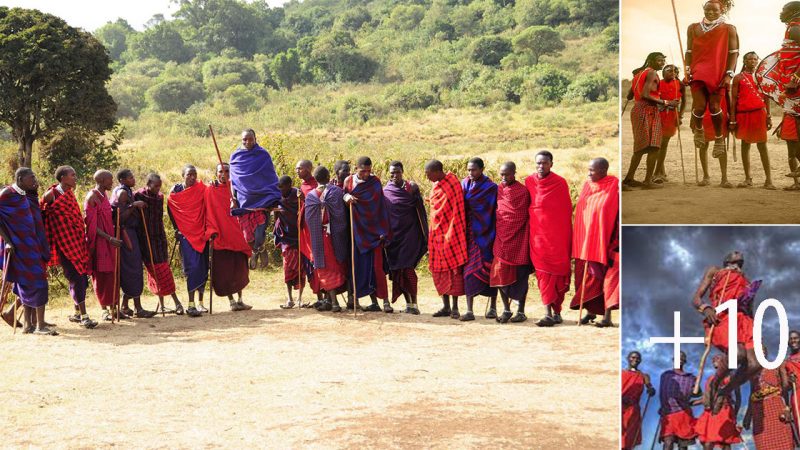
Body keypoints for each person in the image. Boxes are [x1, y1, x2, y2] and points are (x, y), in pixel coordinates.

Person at [691, 251, 761, 396]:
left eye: (740, 253)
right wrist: (706, 308)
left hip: (745, 322)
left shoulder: (747, 282)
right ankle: (715, 383)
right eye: (733, 252)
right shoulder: (715, 271)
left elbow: (750, 308)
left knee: (757, 364)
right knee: (738, 355)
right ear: (726, 259)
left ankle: (724, 392)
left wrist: (755, 328)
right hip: (723, 316)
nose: (738, 252)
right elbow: (696, 298)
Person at [40, 166, 97, 329]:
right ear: (63, 177)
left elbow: (75, 217)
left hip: (76, 241)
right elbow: (42, 216)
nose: (75, 178)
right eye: (72, 175)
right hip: (63, 243)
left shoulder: (70, 193)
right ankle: (85, 316)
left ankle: (77, 313)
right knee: (77, 277)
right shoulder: (51, 194)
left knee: (80, 276)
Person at [0, 168, 55, 335]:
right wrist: (8, 242)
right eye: (31, 177)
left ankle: (28, 325)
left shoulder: (24, 194)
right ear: (20, 178)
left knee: (27, 283)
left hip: (32, 245)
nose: (34, 179)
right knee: (38, 283)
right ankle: (39, 327)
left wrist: (34, 192)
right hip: (18, 247)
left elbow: (32, 216)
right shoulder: (7, 194)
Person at [686, 0, 739, 160]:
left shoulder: (729, 29)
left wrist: (729, 74)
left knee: (715, 106)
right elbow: (689, 51)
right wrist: (688, 70)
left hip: (718, 72)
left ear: (721, 10)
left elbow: (734, 53)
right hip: (698, 71)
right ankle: (699, 130)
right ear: (704, 9)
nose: (710, 13)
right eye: (707, 10)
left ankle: (718, 140)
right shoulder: (693, 27)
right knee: (699, 107)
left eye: (714, 10)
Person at [570, 158, 619, 327]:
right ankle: (590, 312)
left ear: (604, 170)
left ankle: (607, 317)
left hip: (603, 242)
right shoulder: (587, 185)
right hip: (583, 242)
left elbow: (615, 215)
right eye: (588, 170)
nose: (589, 173)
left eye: (593, 170)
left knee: (604, 279)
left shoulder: (614, 187)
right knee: (584, 278)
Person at [526, 151, 572, 327]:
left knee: (558, 275)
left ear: (551, 164)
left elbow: (566, 212)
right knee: (543, 275)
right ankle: (547, 313)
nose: (541, 166)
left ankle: (557, 311)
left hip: (557, 237)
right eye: (538, 163)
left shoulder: (560, 183)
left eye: (544, 163)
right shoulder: (529, 182)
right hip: (538, 238)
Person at [756, 2, 800, 189]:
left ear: (795, 12)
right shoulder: (792, 28)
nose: (781, 13)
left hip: (796, 86)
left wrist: (797, 77)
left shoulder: (795, 28)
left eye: (785, 10)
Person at [343, 156, 392, 313]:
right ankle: (361, 300)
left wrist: (383, 230)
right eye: (363, 171)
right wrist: (347, 197)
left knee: (377, 268)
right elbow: (343, 195)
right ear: (356, 169)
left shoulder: (375, 181)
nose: (366, 174)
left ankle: (385, 302)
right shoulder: (348, 182)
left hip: (375, 233)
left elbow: (380, 207)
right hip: (357, 232)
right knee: (358, 266)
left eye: (369, 171)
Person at [230, 129, 281, 269]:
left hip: (261, 199)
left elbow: (270, 176)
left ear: (255, 138)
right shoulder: (235, 157)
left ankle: (258, 249)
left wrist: (272, 195)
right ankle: (257, 250)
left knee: (259, 233)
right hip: (244, 200)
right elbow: (233, 181)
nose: (247, 142)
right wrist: (233, 198)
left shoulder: (263, 155)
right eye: (244, 140)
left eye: (250, 139)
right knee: (248, 237)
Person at [134, 173, 183, 315]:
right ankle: (176, 302)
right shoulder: (138, 196)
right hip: (145, 238)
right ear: (148, 184)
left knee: (164, 267)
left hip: (159, 237)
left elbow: (159, 218)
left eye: (159, 186)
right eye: (155, 186)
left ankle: (164, 305)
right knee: (157, 270)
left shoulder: (160, 197)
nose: (158, 189)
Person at [624, 52, 675, 189]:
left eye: (663, 60)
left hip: (638, 109)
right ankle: (647, 181)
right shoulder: (652, 73)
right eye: (659, 60)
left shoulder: (639, 73)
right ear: (651, 61)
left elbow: (630, 95)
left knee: (641, 147)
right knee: (654, 146)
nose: (662, 63)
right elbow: (645, 94)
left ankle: (629, 179)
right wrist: (666, 102)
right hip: (647, 110)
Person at [383, 161, 428, 315]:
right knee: (397, 272)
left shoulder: (411, 188)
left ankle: (414, 304)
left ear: (402, 171)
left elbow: (421, 213)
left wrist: (425, 235)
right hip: (393, 238)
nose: (394, 175)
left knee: (408, 270)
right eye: (391, 173)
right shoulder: (386, 191)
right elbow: (383, 215)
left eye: (397, 172)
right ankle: (409, 304)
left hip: (410, 236)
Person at [206, 163, 252, 312]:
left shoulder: (236, 188)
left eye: (227, 171)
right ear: (216, 174)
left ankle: (240, 300)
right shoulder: (210, 190)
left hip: (237, 235)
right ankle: (231, 301)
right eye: (220, 171)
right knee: (224, 272)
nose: (223, 174)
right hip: (220, 236)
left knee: (239, 271)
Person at [489, 162, 531, 323]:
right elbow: (498, 211)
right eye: (502, 174)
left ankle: (520, 311)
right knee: (498, 273)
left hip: (518, 239)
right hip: (501, 239)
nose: (504, 178)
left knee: (521, 276)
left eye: (507, 174)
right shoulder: (499, 189)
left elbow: (523, 215)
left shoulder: (522, 191)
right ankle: (506, 309)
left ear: (514, 173)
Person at [425, 160, 467, 319]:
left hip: (452, 233)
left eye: (428, 174)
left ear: (436, 171)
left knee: (454, 271)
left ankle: (455, 308)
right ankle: (446, 306)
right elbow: (435, 210)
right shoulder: (435, 186)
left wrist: (451, 232)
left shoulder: (453, 184)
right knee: (439, 270)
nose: (427, 178)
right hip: (436, 235)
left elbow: (457, 210)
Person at [111, 169, 156, 318]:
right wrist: (133, 206)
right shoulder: (122, 193)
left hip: (131, 233)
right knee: (133, 270)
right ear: (122, 180)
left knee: (133, 270)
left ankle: (125, 305)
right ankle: (138, 308)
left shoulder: (127, 191)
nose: (133, 179)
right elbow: (119, 218)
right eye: (130, 177)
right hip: (126, 234)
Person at [305, 166, 349, 311]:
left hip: (319, 237)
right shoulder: (336, 192)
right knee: (336, 266)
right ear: (328, 176)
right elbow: (342, 215)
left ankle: (333, 302)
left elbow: (309, 220)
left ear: (315, 179)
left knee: (325, 268)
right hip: (336, 236)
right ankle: (336, 301)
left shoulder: (311, 196)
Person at [460, 157, 498, 322]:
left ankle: (493, 308)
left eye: (474, 170)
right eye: (468, 170)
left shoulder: (491, 187)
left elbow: (493, 210)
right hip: (469, 235)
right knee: (468, 271)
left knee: (490, 270)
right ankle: (469, 310)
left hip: (486, 233)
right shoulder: (464, 184)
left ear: (482, 169)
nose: (470, 173)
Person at [167, 165, 207, 318]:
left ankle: (200, 302)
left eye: (194, 174)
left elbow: (208, 204)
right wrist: (176, 228)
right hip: (185, 235)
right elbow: (171, 209)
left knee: (203, 267)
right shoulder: (176, 191)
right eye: (189, 174)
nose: (192, 177)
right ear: (182, 175)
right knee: (192, 267)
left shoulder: (201, 188)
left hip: (201, 233)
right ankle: (191, 305)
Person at [730, 52, 775, 189]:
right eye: (750, 59)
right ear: (744, 61)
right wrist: (732, 119)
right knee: (745, 145)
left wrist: (768, 116)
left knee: (762, 145)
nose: (753, 61)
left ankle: (769, 180)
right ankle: (747, 178)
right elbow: (734, 99)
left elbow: (766, 97)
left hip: (759, 114)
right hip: (743, 114)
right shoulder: (738, 78)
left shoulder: (761, 77)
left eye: (755, 59)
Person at [83, 170, 123, 321]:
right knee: (101, 275)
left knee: (112, 274)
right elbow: (91, 225)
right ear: (101, 180)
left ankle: (114, 307)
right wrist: (108, 238)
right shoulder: (92, 197)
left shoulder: (104, 195)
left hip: (110, 241)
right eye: (109, 180)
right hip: (100, 242)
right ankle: (104, 309)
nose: (111, 182)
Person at [743, 345, 794, 450]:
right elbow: (752, 394)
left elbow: (785, 389)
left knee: (784, 439)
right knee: (763, 443)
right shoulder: (752, 373)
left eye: (763, 351)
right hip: (759, 412)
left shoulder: (776, 366)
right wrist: (748, 415)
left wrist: (788, 408)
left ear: (766, 353)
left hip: (776, 407)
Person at [695, 354, 742, 450]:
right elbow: (706, 398)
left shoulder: (732, 377)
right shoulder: (710, 379)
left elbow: (738, 397)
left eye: (718, 358)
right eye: (713, 359)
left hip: (725, 411)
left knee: (725, 442)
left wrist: (735, 415)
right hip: (710, 412)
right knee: (707, 443)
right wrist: (690, 403)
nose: (714, 360)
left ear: (724, 361)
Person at [296, 159, 324, 307]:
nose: (297, 171)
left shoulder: (315, 185)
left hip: (314, 229)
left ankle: (324, 296)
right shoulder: (303, 186)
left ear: (307, 169)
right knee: (308, 263)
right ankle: (318, 296)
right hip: (305, 231)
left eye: (299, 169)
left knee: (316, 261)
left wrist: (305, 199)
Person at [653, 64, 687, 184]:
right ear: (663, 73)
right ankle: (659, 172)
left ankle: (658, 173)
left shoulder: (680, 85)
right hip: (658, 114)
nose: (672, 73)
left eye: (675, 71)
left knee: (664, 143)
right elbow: (653, 98)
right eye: (669, 71)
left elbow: (684, 102)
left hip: (672, 116)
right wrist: (666, 104)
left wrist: (681, 115)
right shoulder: (658, 82)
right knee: (658, 144)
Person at [658, 351, 698, 450]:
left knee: (683, 445)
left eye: (682, 357)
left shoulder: (691, 378)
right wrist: (663, 406)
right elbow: (662, 393)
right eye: (677, 357)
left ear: (685, 361)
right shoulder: (666, 375)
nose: (680, 359)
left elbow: (697, 393)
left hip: (684, 413)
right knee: (668, 442)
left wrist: (695, 386)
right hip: (669, 413)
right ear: (673, 360)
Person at [274, 176, 302, 309]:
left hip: (298, 237)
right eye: (279, 188)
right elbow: (276, 214)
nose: (281, 190)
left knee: (300, 269)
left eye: (283, 187)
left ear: (290, 185)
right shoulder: (278, 197)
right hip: (285, 238)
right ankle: (289, 298)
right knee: (287, 269)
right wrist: (277, 232)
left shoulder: (297, 195)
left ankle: (300, 298)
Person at [622, 351, 655, 450]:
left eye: (637, 358)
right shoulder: (620, 373)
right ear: (628, 358)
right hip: (619, 408)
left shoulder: (644, 376)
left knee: (629, 439)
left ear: (640, 360)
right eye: (633, 357)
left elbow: (650, 388)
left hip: (633, 410)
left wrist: (651, 390)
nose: (635, 360)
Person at [783, 330, 800, 429]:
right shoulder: (787, 362)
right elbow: (786, 386)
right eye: (790, 339)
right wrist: (790, 380)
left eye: (796, 338)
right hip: (797, 394)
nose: (793, 341)